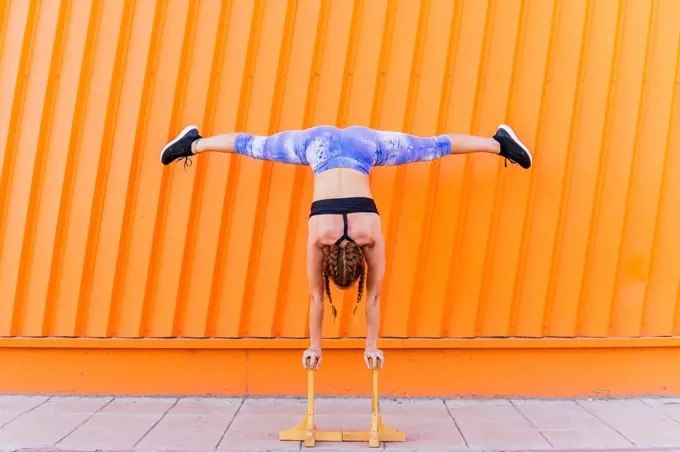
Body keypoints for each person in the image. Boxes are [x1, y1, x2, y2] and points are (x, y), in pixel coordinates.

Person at [159, 124, 532, 370]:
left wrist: (371, 345)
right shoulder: (319, 236)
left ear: (359, 265)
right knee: (254, 147)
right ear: (330, 264)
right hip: (317, 148)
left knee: (433, 148)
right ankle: (193, 142)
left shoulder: (370, 233)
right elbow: (317, 300)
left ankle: (499, 144)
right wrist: (315, 348)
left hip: (364, 148)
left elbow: (371, 299)